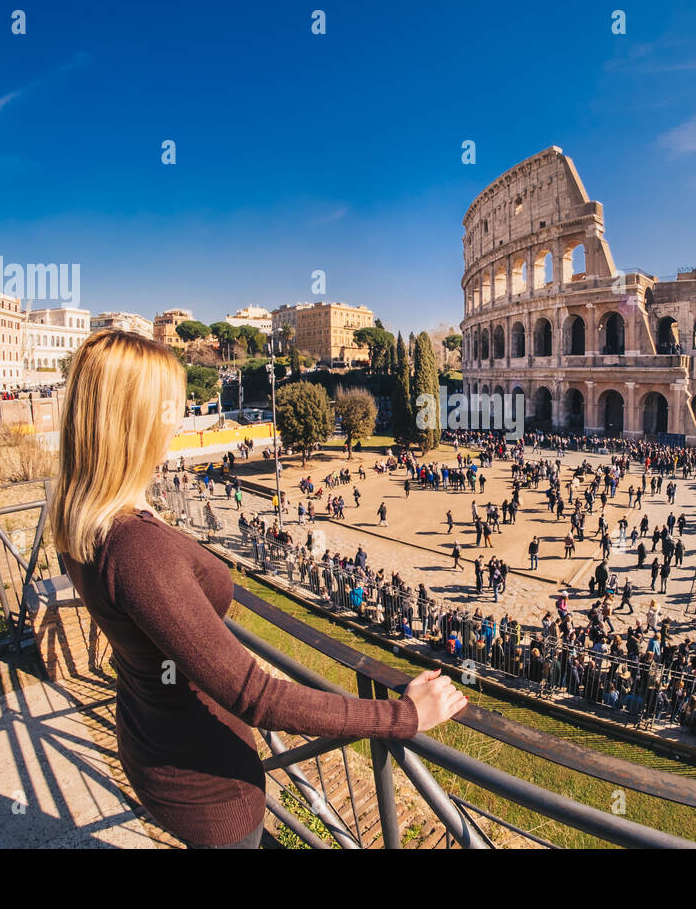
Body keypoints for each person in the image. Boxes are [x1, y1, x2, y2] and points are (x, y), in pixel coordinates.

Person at [52, 331, 466, 849]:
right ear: (132, 422)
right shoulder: (136, 548)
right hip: (208, 787)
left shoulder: (81, 517)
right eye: (169, 410)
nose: (177, 423)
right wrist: (402, 716)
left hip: (150, 739)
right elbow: (257, 697)